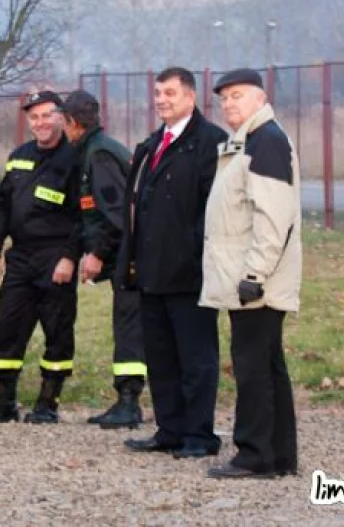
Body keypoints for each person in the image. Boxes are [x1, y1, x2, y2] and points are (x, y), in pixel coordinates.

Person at [117, 67, 227, 459]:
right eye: (158, 93)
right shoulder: (152, 144)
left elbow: (212, 212)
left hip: (190, 273)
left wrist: (195, 258)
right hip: (151, 271)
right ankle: (170, 429)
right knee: (161, 358)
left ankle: (199, 435)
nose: (162, 99)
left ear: (191, 97)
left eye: (171, 93)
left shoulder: (211, 142)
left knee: (196, 359)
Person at [200, 68, 301, 479]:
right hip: (249, 278)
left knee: (253, 369)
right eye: (224, 98)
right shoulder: (248, 142)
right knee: (268, 366)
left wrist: (255, 275)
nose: (229, 104)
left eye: (238, 96)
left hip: (255, 282)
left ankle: (255, 455)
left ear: (260, 98)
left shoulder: (267, 142)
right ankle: (279, 455)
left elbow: (273, 217)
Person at [0, 91, 82, 425]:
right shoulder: (20, 156)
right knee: (6, 327)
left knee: (58, 330)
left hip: (56, 256)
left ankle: (47, 403)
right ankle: (4, 403)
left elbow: (84, 215)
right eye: (34, 117)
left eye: (46, 115)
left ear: (61, 117)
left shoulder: (76, 158)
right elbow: (1, 204)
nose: (40, 123)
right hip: (20, 255)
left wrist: (70, 256)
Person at [59, 89, 146, 429]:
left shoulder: (99, 156)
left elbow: (115, 215)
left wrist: (96, 253)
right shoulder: (93, 151)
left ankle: (129, 402)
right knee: (129, 325)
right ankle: (126, 400)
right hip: (126, 253)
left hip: (131, 255)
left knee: (129, 326)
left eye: (64, 123)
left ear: (73, 123)